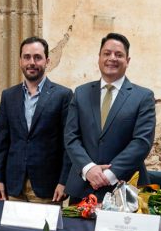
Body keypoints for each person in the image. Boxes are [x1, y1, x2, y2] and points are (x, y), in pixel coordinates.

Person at [64, 32, 156, 201]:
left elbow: (142, 142)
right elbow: (71, 137)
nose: (112, 58)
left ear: (127, 61)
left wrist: (110, 174)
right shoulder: (81, 93)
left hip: (125, 187)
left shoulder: (143, 96)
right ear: (99, 58)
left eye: (118, 55)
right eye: (106, 53)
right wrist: (89, 168)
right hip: (83, 187)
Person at [0, 37, 73, 203]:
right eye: (27, 57)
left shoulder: (63, 95)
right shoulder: (9, 96)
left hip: (48, 187)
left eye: (37, 57)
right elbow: (1, 142)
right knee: (13, 229)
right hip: (13, 186)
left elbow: (68, 144)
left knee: (44, 230)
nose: (32, 62)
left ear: (47, 61)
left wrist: (64, 181)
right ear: (20, 61)